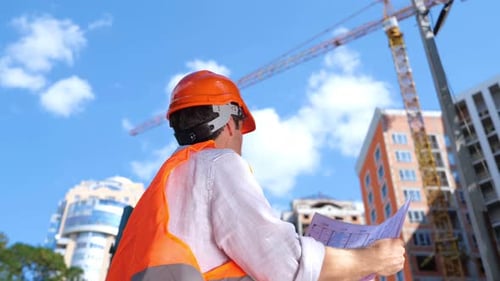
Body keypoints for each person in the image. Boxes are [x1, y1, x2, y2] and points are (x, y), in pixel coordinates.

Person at [106, 70, 405, 281]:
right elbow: (283, 265)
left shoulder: (160, 193)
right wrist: (372, 258)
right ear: (230, 124)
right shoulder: (218, 164)